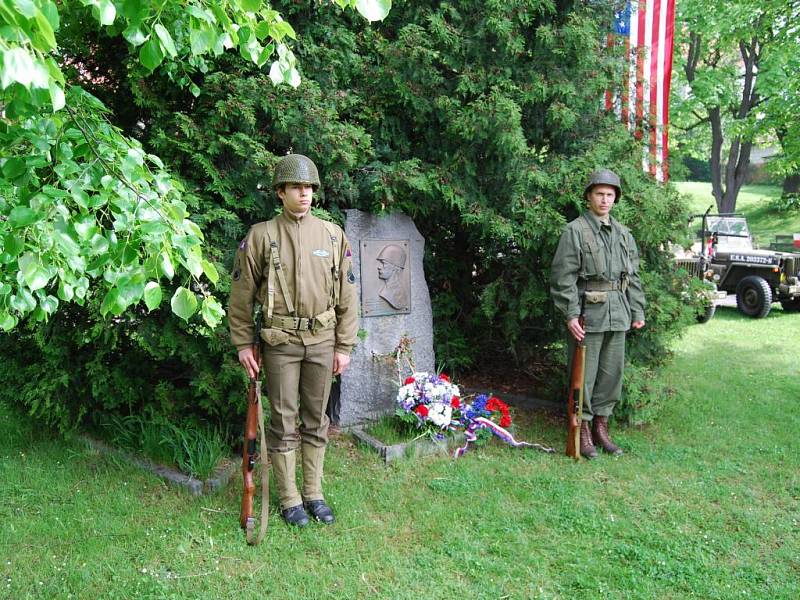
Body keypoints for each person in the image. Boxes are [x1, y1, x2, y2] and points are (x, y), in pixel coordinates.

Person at [229, 153, 358, 526]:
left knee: (317, 419)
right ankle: (289, 499)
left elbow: (348, 296)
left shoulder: (332, 236)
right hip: (280, 342)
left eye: (309, 188)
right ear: (280, 192)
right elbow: (240, 297)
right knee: (284, 421)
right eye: (297, 188)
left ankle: (313, 494)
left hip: (322, 340)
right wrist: (242, 343)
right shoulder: (261, 236)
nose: (305, 195)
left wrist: (344, 346)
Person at [550, 169, 646, 459]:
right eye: (599, 194)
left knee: (610, 375)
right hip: (587, 316)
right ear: (589, 197)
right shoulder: (574, 231)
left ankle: (602, 428)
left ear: (615, 198)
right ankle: (583, 430)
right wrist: (570, 314)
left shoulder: (624, 235)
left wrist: (637, 308)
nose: (605, 200)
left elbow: (633, 276)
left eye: (610, 195)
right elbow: (562, 278)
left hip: (618, 312)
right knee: (585, 377)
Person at [376, 243, 409, 310]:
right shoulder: (385, 292)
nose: (379, 267)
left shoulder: (401, 294)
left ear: (395, 267)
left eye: (384, 263)